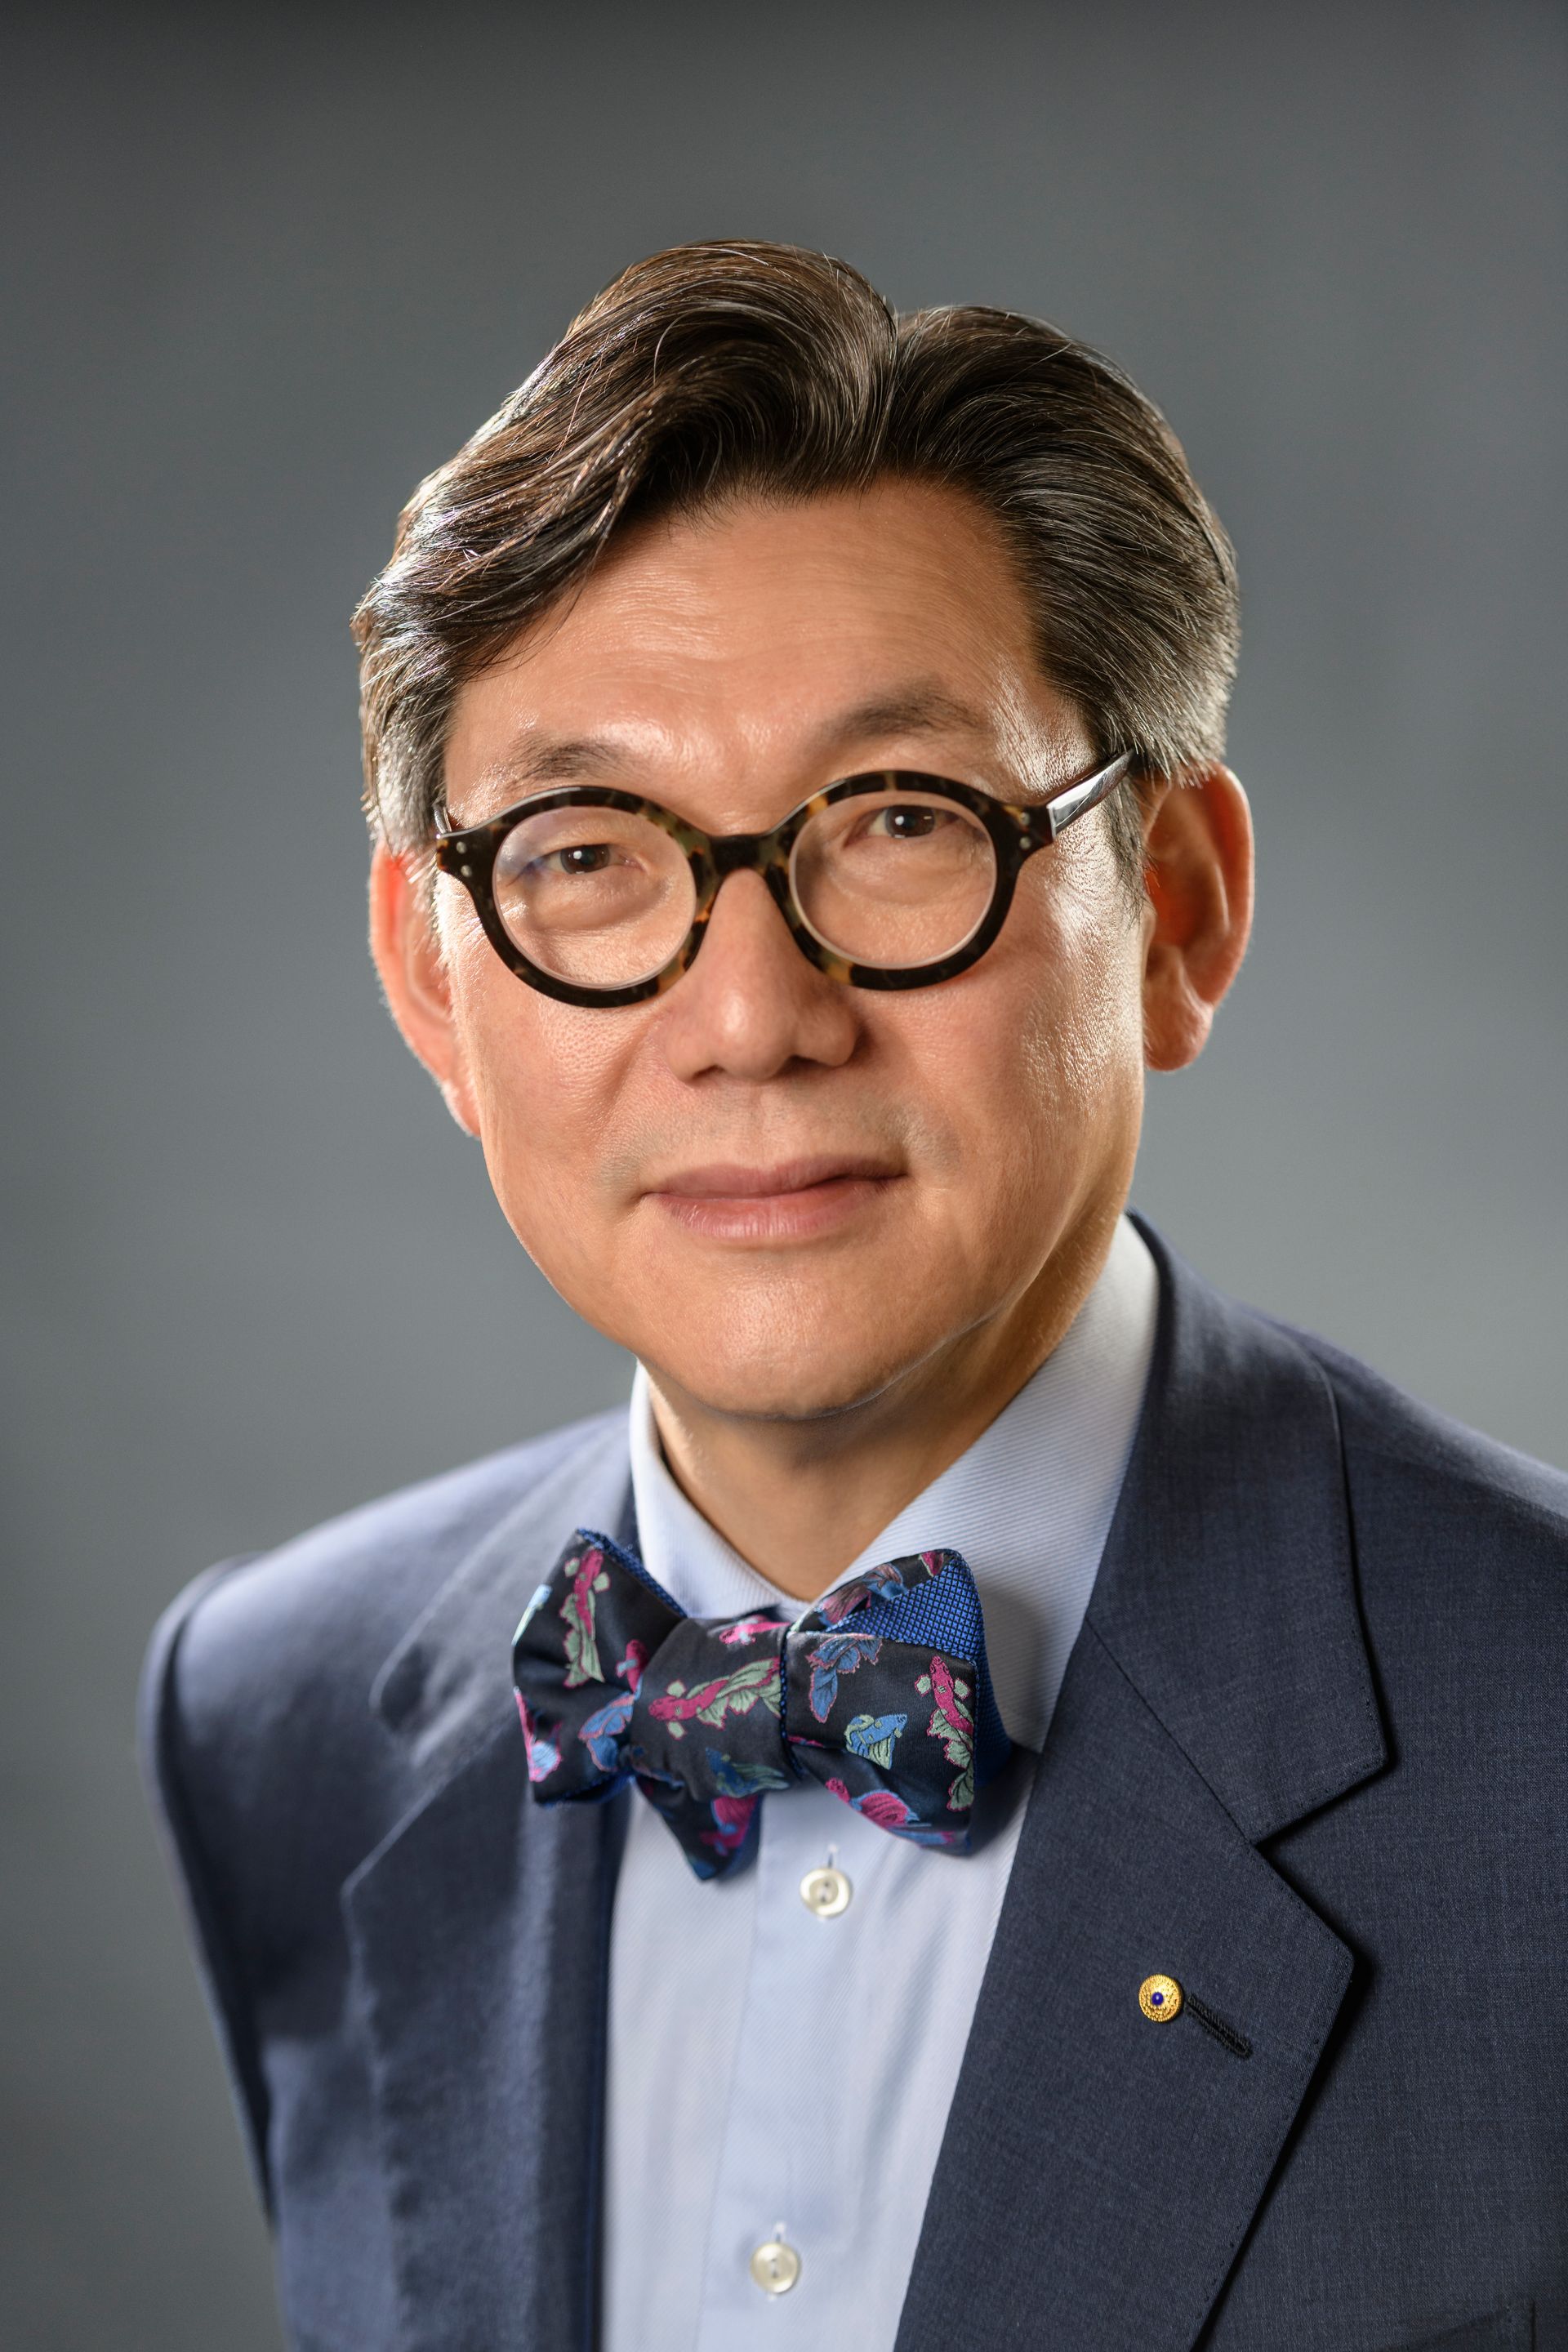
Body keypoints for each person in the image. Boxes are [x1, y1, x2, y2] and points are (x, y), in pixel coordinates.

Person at [141, 242, 1566, 2352]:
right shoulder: (283, 1719)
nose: (749, 1014)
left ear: (1176, 910)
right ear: (429, 979)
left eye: (902, 821)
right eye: (583, 852)